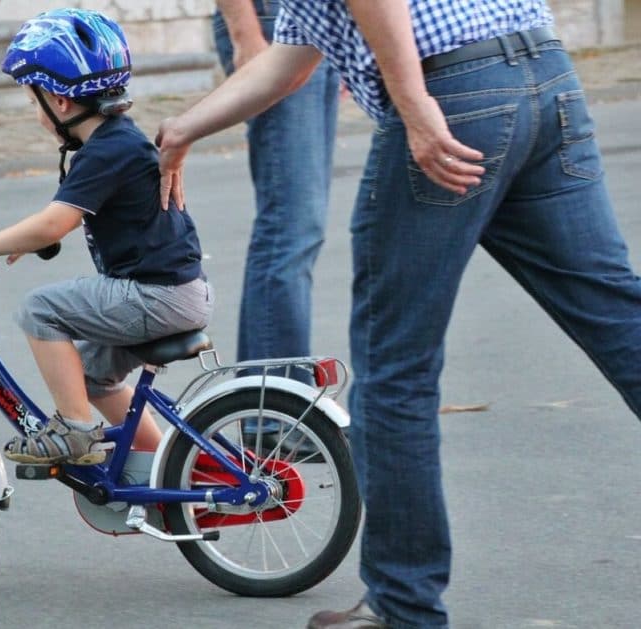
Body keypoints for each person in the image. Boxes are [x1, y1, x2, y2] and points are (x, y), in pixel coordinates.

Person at [156, 1, 641, 627]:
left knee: (395, 369)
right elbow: (292, 61)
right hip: (544, 75)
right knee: (616, 315)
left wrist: (412, 107)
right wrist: (184, 127)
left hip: (451, 91)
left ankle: (403, 606)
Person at [0, 8, 213, 466]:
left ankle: (74, 429)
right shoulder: (113, 142)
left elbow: (55, 222)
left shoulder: (107, 151)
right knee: (90, 376)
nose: (36, 112)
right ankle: (163, 467)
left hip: (156, 295)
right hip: (175, 292)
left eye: (34, 101)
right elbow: (63, 218)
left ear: (59, 101)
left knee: (39, 309)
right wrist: (26, 241)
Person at [213, 0, 338, 374]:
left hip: (318, 28)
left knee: (296, 229)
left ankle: (265, 400)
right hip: (271, 24)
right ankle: (272, 406)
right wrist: (244, 31)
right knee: (290, 227)